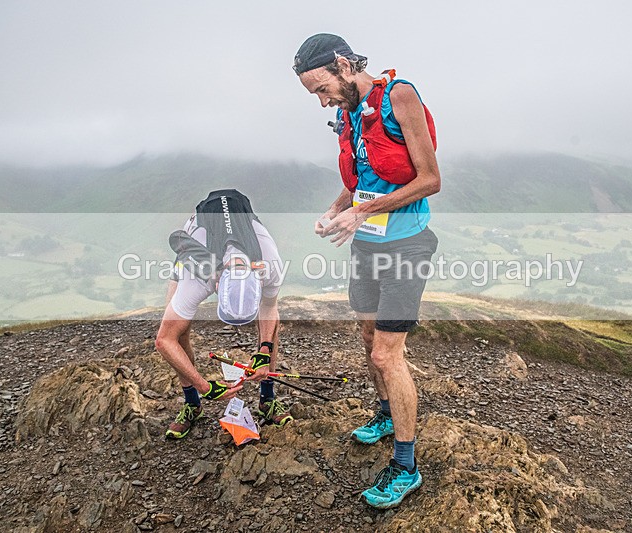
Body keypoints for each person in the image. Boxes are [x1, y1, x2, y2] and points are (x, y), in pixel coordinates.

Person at [293, 34, 441, 508]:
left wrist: (363, 211)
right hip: (366, 243)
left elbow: (430, 180)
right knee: (365, 336)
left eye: (322, 89)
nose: (322, 102)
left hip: (406, 246)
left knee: (385, 356)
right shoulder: (350, 112)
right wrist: (336, 208)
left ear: (343, 64)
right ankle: (384, 413)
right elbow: (358, 180)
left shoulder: (399, 96)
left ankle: (405, 464)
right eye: (315, 95)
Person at [155, 189, 292, 440]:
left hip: (245, 227)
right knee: (178, 329)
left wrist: (264, 351)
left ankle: (268, 399)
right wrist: (204, 386)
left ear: (258, 281)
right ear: (216, 285)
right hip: (198, 237)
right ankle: (192, 403)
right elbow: (164, 341)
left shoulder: (269, 265)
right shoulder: (198, 276)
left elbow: (269, 308)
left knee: (271, 326)